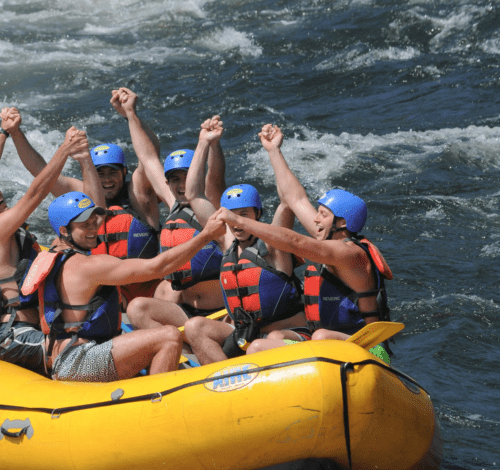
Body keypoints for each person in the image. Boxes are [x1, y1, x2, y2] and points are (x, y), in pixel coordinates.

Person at [214, 124, 393, 356]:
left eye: (323, 215)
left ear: (342, 223)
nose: (315, 219)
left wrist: (239, 221)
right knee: (263, 344)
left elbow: (294, 242)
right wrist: (273, 151)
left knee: (320, 335)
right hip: (326, 345)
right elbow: (295, 198)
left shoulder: (350, 254)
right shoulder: (327, 237)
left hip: (368, 349)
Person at [20, 192, 226, 382]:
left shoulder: (54, 254)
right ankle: (156, 405)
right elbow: (157, 267)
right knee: (169, 336)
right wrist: (206, 235)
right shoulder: (87, 266)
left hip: (62, 356)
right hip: (80, 360)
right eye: (84, 225)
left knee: (142, 336)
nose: (93, 229)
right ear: (64, 230)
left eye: (94, 222)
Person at [0, 118, 89, 373]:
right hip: (15, 335)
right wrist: (64, 150)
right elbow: (35, 193)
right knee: (85, 352)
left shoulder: (0, 230)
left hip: (33, 329)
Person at [11, 88, 166, 303]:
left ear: (124, 172)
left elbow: (150, 155)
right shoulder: (82, 193)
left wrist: (131, 114)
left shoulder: (139, 194)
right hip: (105, 293)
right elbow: (41, 172)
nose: (106, 179)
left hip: (147, 289)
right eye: (100, 173)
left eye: (112, 172)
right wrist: (15, 133)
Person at [182, 184, 308, 365]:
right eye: (232, 215)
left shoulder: (274, 246)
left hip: (289, 336)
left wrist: (274, 153)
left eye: (243, 214)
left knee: (263, 342)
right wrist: (204, 152)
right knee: (194, 327)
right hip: (247, 335)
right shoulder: (227, 243)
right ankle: (224, 381)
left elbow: (288, 200)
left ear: (257, 213)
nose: (236, 221)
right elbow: (193, 194)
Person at [126, 116, 228, 330]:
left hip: (220, 312)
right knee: (138, 308)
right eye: (175, 179)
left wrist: (213, 144)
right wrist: (131, 114)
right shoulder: (173, 204)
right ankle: (175, 348)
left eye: (187, 176)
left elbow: (216, 178)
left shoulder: (212, 207)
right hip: (187, 310)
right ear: (168, 183)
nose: (182, 185)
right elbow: (147, 157)